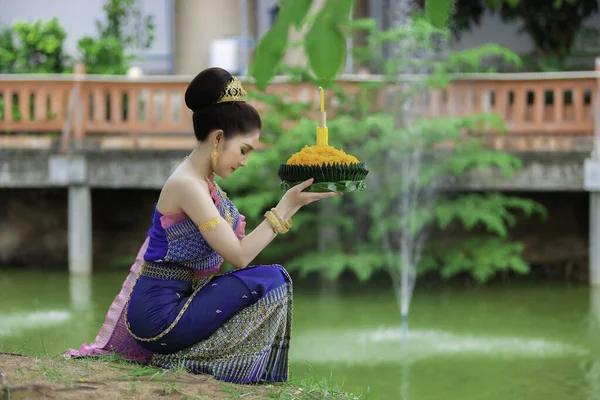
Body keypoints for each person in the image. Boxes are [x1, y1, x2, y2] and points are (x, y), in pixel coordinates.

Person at [66, 67, 340, 384]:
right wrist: (286, 206)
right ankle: (239, 371)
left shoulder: (202, 182)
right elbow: (238, 256)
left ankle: (237, 369)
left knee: (272, 279)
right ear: (218, 138)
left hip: (179, 304)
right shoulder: (188, 185)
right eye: (243, 150)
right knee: (273, 278)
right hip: (160, 318)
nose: (244, 161)